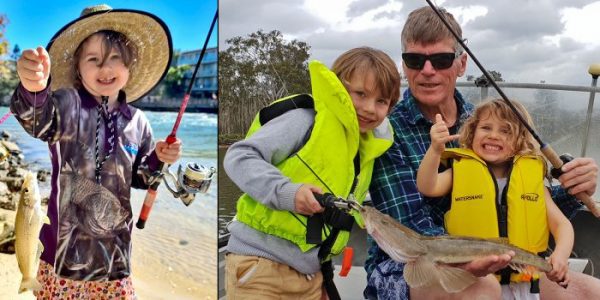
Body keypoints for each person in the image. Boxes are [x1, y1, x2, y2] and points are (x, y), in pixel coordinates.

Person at [365, 6, 600, 300]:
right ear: (404, 66)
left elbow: (519, 204)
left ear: (461, 64)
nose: (427, 71)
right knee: (484, 289)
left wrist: (573, 188)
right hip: (406, 265)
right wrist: (481, 257)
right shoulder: (387, 133)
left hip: (496, 260)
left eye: (440, 59)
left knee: (589, 291)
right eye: (415, 60)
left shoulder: (487, 124)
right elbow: (415, 235)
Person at [12, 4, 181, 298]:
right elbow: (37, 121)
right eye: (93, 59)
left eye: (116, 57)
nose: (106, 67)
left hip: (115, 260)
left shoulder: (138, 121)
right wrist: (34, 89)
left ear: (130, 66)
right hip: (61, 257)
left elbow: (141, 178)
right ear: (78, 67)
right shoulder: (66, 105)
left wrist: (157, 158)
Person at [223, 47, 400, 299]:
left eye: (381, 101)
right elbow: (239, 157)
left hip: (312, 276)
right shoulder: (305, 120)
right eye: (360, 94)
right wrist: (288, 192)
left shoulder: (364, 150)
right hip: (260, 268)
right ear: (339, 89)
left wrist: (322, 277)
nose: (370, 108)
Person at [417, 99, 573, 299]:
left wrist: (560, 256)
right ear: (472, 132)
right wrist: (435, 151)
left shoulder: (532, 181)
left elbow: (562, 225)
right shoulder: (458, 172)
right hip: (475, 283)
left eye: (506, 131)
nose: (493, 135)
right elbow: (427, 186)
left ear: (521, 140)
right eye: (486, 128)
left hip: (523, 285)